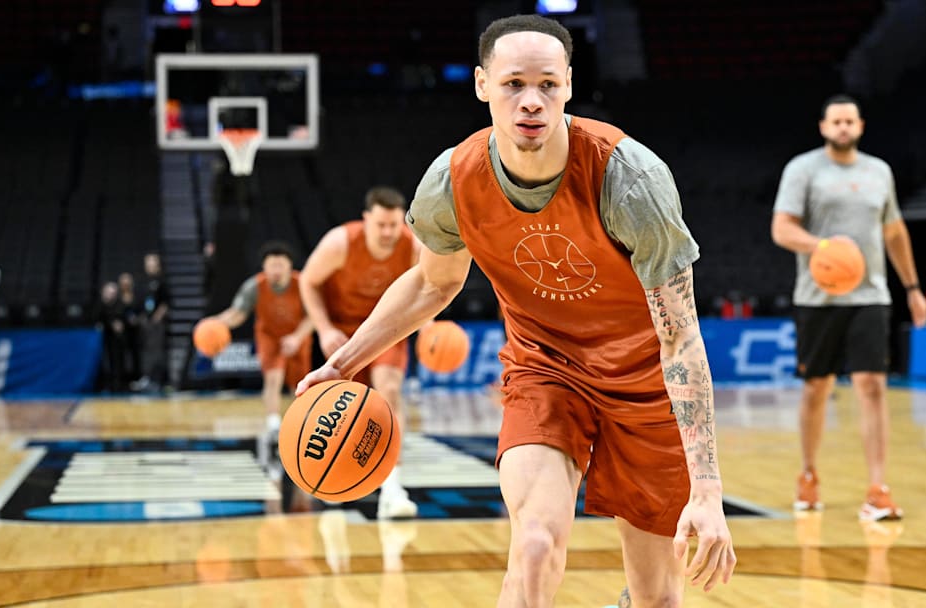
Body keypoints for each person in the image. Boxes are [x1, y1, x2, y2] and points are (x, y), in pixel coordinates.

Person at [298, 15, 735, 605]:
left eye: (547, 85)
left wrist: (707, 490)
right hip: (545, 370)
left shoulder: (629, 179)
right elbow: (433, 282)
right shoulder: (453, 179)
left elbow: (681, 337)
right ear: (482, 84)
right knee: (532, 547)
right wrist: (344, 363)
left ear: (569, 86)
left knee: (657, 597)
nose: (531, 101)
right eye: (513, 84)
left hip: (645, 383)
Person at [771, 94, 926, 521]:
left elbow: (895, 233)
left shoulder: (879, 172)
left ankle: (878, 488)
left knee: (873, 387)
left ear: (860, 127)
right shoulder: (803, 169)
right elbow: (782, 228)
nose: (843, 127)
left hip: (871, 295)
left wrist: (913, 287)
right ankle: (808, 473)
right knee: (816, 388)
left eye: (850, 121)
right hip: (818, 297)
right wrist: (822, 247)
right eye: (836, 121)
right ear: (823, 127)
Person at [299, 186, 421, 521]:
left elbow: (430, 287)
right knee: (340, 410)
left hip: (387, 330)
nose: (387, 232)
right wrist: (323, 328)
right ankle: (335, 476)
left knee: (390, 392)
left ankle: (393, 488)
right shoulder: (340, 242)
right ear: (365, 219)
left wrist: (429, 326)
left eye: (394, 225)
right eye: (381, 224)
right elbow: (307, 282)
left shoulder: (413, 245)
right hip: (342, 333)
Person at [202, 241, 314, 434]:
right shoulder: (253, 286)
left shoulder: (303, 283)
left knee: (301, 383)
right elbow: (237, 314)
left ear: (290, 266)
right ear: (264, 267)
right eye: (272, 265)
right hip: (268, 335)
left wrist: (297, 337)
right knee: (272, 378)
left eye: (280, 265)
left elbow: (314, 316)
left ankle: (302, 421)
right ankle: (273, 421)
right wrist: (216, 323)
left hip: (297, 334)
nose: (276, 270)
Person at [133, 252, 170, 391]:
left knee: (158, 352)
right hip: (146, 323)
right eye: (147, 263)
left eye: (152, 263)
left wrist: (157, 317)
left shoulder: (162, 280)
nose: (149, 266)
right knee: (147, 352)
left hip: (158, 323)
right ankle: (147, 378)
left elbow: (166, 303)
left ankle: (160, 381)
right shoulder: (144, 281)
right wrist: (143, 318)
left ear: (157, 264)